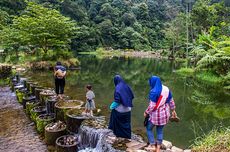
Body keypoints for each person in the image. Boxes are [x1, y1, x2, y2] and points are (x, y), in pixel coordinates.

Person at [144, 76, 177, 152]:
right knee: (160, 131)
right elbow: (171, 101)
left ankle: (152, 145)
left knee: (149, 129)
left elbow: (152, 106)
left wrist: (146, 112)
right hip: (165, 114)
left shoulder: (153, 92)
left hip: (155, 116)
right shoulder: (166, 89)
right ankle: (158, 148)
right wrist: (173, 110)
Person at [108, 75, 134, 139]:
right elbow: (132, 96)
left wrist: (111, 106)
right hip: (128, 109)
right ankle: (128, 136)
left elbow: (117, 100)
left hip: (121, 111)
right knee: (127, 123)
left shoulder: (117, 88)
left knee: (114, 114)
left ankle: (117, 133)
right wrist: (126, 101)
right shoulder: (126, 86)